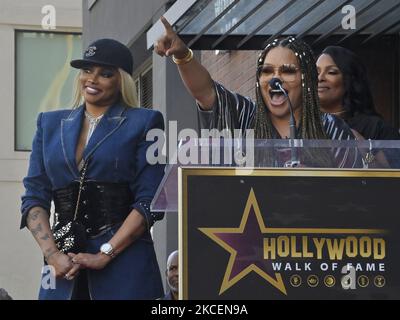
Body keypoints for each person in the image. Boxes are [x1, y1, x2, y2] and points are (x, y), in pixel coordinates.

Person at [20, 38, 165, 300]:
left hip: (124, 263)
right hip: (62, 265)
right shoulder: (49, 124)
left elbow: (150, 201)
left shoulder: (145, 122)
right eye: (87, 70)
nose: (92, 79)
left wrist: (105, 253)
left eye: (105, 73)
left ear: (121, 80)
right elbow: (34, 196)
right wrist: (52, 254)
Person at [154, 17, 361, 168]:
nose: (275, 78)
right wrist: (182, 55)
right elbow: (205, 92)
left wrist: (314, 183)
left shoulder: (330, 128)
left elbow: (353, 195)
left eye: (287, 71)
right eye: (267, 71)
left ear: (306, 78)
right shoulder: (245, 116)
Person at [317, 46, 400, 140]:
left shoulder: (377, 129)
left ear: (350, 80)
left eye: (331, 72)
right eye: (316, 72)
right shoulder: (300, 127)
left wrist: (364, 149)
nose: (320, 78)